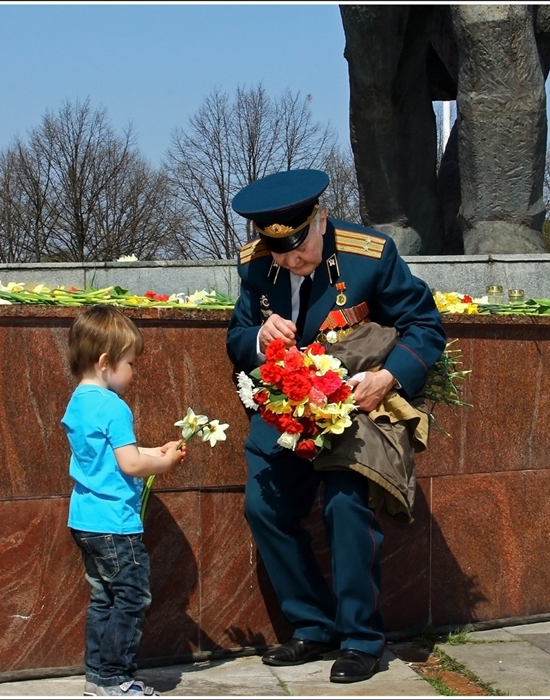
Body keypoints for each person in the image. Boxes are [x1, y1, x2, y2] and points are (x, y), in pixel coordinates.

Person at [225, 169, 447, 684]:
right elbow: (236, 336)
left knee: (346, 510)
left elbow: (426, 326)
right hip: (284, 414)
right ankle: (312, 626)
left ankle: (361, 639)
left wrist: (389, 379)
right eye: (276, 251)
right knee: (263, 508)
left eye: (296, 248)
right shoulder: (258, 267)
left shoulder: (369, 254)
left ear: (320, 220)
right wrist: (259, 337)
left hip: (353, 412)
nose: (287, 260)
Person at [62, 305, 186, 697]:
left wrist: (155, 449)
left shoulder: (78, 403)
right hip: (115, 525)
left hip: (85, 519)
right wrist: (164, 463)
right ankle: (117, 678)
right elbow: (131, 463)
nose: (133, 372)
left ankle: (97, 678)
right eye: (130, 363)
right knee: (132, 598)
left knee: (104, 598)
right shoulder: (113, 405)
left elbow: (111, 455)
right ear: (105, 362)